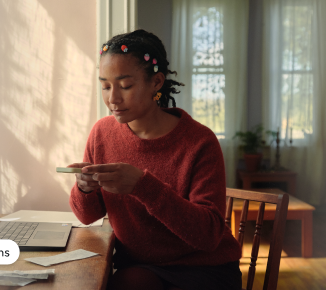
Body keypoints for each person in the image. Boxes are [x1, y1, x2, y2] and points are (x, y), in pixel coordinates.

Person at [67, 30, 242, 290]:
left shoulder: (200, 142)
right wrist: (84, 187)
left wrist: (142, 186)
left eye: (125, 86)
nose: (112, 98)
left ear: (157, 82)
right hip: (139, 268)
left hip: (203, 268)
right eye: (105, 86)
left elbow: (208, 236)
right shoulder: (102, 133)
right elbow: (87, 216)